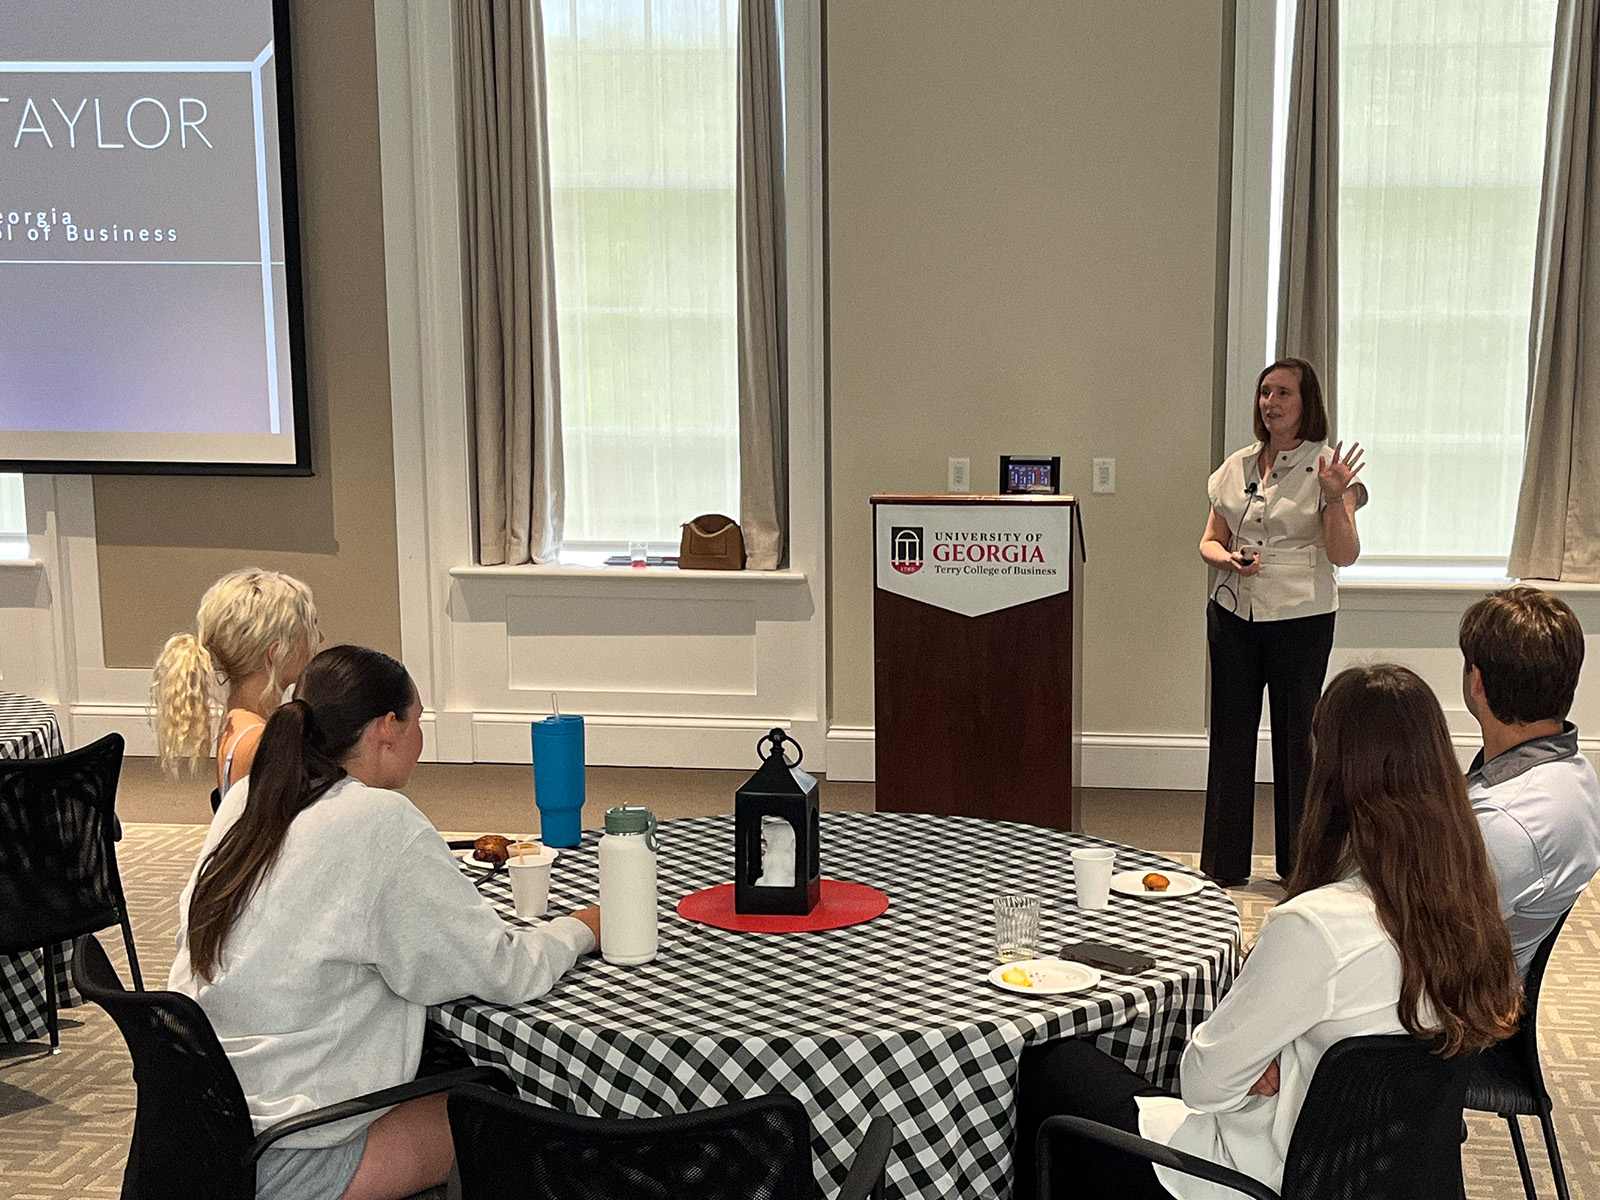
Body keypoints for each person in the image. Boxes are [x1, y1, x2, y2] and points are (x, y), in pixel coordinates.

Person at [1013, 664, 1521, 1200]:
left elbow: (1204, 1083)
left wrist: (1262, 1053)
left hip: (1250, 1181)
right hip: (1376, 1175)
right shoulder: (1471, 905)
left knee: (1053, 1064)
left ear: (1331, 774)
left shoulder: (1316, 928)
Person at [169, 645, 601, 1200]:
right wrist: (582, 928)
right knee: (522, 1109)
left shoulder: (246, 801)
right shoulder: (382, 823)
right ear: (387, 729)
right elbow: (504, 971)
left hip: (202, 1128)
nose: (422, 740)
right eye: (419, 721)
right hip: (298, 1154)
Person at [1199, 358, 1367, 887]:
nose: (1270, 403)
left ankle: (1300, 866)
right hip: (1234, 614)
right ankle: (1223, 865)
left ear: (1306, 403)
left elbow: (1344, 554)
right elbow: (1209, 540)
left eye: (1283, 394)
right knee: (1230, 736)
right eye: (1265, 393)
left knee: (1298, 741)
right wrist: (1225, 559)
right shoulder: (1237, 466)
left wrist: (1337, 496)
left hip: (1301, 618)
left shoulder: (1328, 467)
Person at [1460, 586, 1600, 974]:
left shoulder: (1503, 823)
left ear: (1477, 682)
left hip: (1455, 1010)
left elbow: (1421, 935)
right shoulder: (1577, 772)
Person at [151, 567, 321, 810]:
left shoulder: (239, 722)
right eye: (311, 631)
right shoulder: (258, 742)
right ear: (276, 653)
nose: (321, 639)